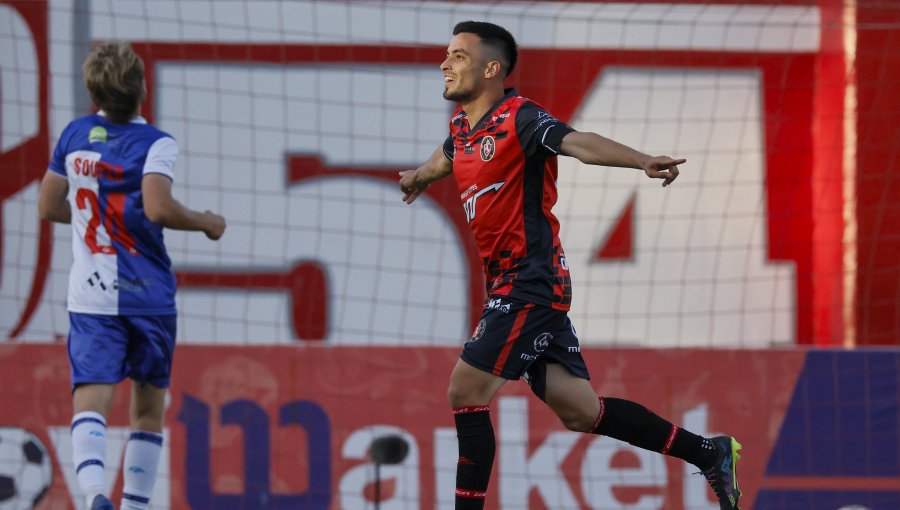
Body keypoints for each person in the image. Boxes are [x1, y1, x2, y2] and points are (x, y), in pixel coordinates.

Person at [399, 21, 742, 510]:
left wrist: (641, 160)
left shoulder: (521, 118)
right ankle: (709, 452)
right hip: (515, 284)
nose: (444, 63)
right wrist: (418, 177)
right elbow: (447, 158)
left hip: (529, 281)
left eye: (457, 55)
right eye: (447, 54)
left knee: (464, 390)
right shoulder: (461, 128)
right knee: (580, 412)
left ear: (491, 68)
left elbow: (578, 142)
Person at [38, 41, 226, 510]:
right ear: (141, 87)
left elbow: (47, 206)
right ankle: (134, 506)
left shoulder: (74, 135)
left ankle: (94, 494)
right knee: (147, 410)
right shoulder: (155, 143)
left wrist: (91, 218)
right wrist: (205, 221)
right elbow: (158, 206)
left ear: (93, 93)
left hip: (92, 295)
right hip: (148, 294)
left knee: (92, 398)